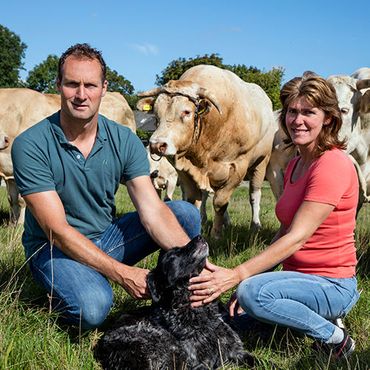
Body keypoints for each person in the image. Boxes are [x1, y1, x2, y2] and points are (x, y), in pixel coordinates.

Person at [11, 43, 201, 330]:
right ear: (58, 85)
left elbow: (152, 210)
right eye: (72, 84)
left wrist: (197, 265)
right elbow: (57, 231)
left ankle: (172, 296)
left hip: (107, 239)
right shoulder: (31, 145)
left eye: (90, 85)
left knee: (185, 214)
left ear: (104, 88)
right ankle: (68, 287)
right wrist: (123, 274)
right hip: (54, 250)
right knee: (93, 309)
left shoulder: (123, 139)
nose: (81, 94)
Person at [189, 72, 360, 359]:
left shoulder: (332, 165)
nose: (298, 120)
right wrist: (251, 278)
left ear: (328, 118)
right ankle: (303, 319)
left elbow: (296, 238)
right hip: (296, 279)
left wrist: (239, 277)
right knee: (235, 316)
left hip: (333, 285)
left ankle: (336, 338)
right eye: (292, 111)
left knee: (253, 295)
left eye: (309, 112)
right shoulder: (295, 165)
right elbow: (283, 231)